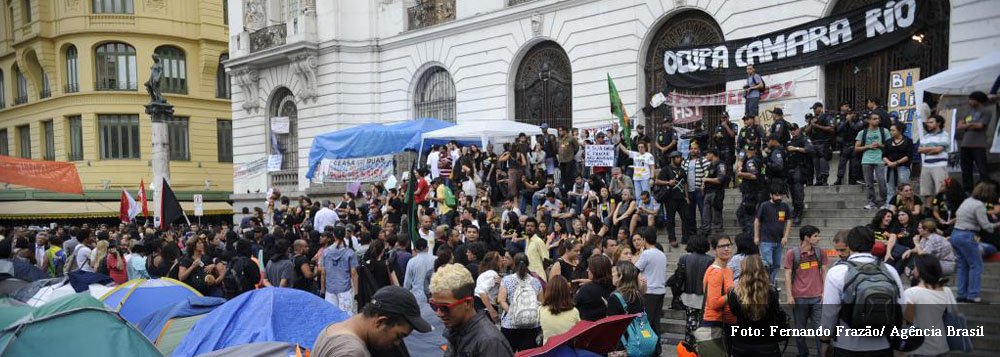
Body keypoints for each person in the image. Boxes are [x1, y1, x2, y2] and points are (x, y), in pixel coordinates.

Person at [819, 226, 905, 357]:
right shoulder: (889, 270)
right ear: (873, 244)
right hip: (883, 345)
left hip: (847, 345)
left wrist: (824, 341)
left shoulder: (837, 272)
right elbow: (901, 306)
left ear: (850, 245)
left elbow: (829, 312)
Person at [313, 286, 432, 357]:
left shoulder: (334, 328)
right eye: (398, 336)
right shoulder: (351, 352)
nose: (397, 343)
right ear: (380, 322)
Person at [430, 262, 514, 357]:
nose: (438, 313)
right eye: (434, 306)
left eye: (444, 307)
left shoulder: (490, 343)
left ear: (467, 303)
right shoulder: (456, 330)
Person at [783, 225, 828, 357]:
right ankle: (803, 354)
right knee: (799, 332)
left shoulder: (820, 252)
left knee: (820, 332)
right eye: (815, 236)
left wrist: (824, 292)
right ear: (806, 238)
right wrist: (789, 295)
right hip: (799, 298)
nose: (818, 238)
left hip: (817, 298)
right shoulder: (792, 253)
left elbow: (824, 272)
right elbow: (787, 275)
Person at [951, 181, 1000, 303]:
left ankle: (961, 294)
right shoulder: (979, 205)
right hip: (967, 236)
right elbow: (987, 226)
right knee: (976, 265)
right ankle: (973, 295)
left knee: (962, 265)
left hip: (955, 234)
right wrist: (998, 224)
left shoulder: (967, 201)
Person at [727, 255, 783, 356]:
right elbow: (775, 313)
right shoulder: (771, 292)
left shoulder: (734, 294)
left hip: (742, 343)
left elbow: (734, 313)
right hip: (767, 343)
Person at [902, 254, 956, 357]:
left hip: (920, 348)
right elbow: (953, 313)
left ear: (921, 270)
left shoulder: (911, 293)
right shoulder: (947, 291)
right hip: (941, 345)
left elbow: (908, 320)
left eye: (915, 266)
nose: (913, 270)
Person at [497, 253, 543, 352]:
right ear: (528, 264)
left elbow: (501, 300)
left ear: (514, 264)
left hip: (510, 325)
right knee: (527, 353)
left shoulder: (507, 280)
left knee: (509, 353)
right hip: (531, 325)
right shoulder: (536, 281)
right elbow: (541, 302)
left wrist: (512, 312)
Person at [676, 235, 714, 344]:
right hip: (704, 296)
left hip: (688, 295)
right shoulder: (711, 260)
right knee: (703, 324)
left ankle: (689, 346)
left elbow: (679, 277)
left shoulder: (684, 258)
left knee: (690, 322)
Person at [754, 184, 792, 285]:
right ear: (771, 195)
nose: (779, 197)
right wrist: (756, 236)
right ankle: (767, 283)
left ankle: (771, 283)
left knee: (776, 265)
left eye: (780, 195)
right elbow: (757, 221)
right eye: (776, 195)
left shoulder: (784, 206)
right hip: (766, 240)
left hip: (778, 241)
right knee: (767, 263)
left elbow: (788, 221)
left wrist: (785, 236)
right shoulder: (764, 205)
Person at [701, 235, 736, 345]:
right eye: (722, 246)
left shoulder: (728, 270)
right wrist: (736, 291)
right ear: (714, 250)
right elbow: (714, 303)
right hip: (715, 323)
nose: (726, 249)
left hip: (727, 322)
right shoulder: (716, 272)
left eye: (728, 245)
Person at [957, 91, 993, 190]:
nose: (969, 101)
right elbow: (959, 126)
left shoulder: (986, 111)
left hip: (978, 145)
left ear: (978, 100)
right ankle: (968, 190)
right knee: (966, 169)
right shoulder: (969, 112)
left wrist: (967, 125)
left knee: (982, 169)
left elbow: (981, 125)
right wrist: (972, 124)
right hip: (965, 144)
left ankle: (985, 190)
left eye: (971, 99)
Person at [633, 229, 667, 337]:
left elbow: (635, 269)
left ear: (644, 239)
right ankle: (657, 345)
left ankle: (647, 344)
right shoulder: (662, 254)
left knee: (646, 322)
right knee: (655, 322)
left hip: (649, 291)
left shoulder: (646, 254)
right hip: (660, 291)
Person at [855, 112, 891, 210]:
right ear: (869, 120)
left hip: (880, 159)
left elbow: (890, 146)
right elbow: (856, 148)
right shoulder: (862, 133)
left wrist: (880, 145)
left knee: (882, 181)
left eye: (878, 119)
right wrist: (868, 146)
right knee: (869, 183)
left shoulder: (884, 131)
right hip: (866, 159)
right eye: (874, 119)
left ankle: (884, 201)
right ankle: (871, 202)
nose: (877, 120)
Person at [321, 226, 359, 314]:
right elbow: (353, 273)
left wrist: (322, 289)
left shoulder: (326, 252)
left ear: (333, 235)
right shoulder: (350, 252)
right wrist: (356, 292)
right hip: (345, 288)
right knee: (346, 316)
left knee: (332, 316)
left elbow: (323, 272)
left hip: (330, 289)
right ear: (344, 235)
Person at [656, 151, 691, 246]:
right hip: (670, 198)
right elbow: (657, 181)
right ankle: (672, 238)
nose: (680, 159)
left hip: (682, 198)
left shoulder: (682, 170)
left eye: (680, 157)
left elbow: (685, 183)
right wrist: (668, 183)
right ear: (673, 159)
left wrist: (687, 197)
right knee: (670, 219)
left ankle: (686, 238)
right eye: (678, 157)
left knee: (686, 218)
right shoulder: (666, 169)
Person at [538, 275, 580, 344]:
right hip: (567, 348)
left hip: (548, 348)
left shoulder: (541, 309)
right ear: (566, 291)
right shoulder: (574, 311)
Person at [918, 114, 950, 203]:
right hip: (926, 165)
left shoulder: (944, 134)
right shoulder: (926, 136)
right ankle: (928, 208)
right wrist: (933, 149)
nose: (928, 124)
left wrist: (927, 150)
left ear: (938, 123)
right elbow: (919, 150)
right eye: (928, 122)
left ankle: (940, 207)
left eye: (931, 122)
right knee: (927, 190)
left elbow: (938, 150)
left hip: (939, 165)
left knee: (941, 189)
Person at [785, 125, 811, 225]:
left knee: (798, 191)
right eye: (791, 130)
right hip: (790, 168)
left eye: (794, 129)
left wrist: (796, 148)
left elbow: (809, 149)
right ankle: (796, 210)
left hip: (799, 168)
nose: (793, 132)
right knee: (792, 191)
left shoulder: (804, 139)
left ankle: (799, 212)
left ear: (798, 129)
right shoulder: (789, 141)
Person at [575, 255, 614, 321]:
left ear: (595, 271)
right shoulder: (614, 287)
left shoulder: (586, 290)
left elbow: (573, 306)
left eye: (589, 268)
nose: (587, 270)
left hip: (588, 324)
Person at [883, 123, 914, 206]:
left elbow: (908, 156)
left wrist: (896, 162)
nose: (891, 132)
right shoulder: (888, 141)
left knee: (905, 188)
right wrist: (889, 163)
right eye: (890, 130)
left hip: (903, 167)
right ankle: (889, 206)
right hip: (889, 167)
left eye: (893, 130)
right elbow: (884, 155)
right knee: (890, 189)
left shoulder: (908, 141)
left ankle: (906, 206)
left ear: (900, 131)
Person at [805, 102, 835, 185]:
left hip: (824, 142)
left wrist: (817, 126)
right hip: (814, 143)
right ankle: (818, 179)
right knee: (816, 161)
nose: (814, 110)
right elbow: (806, 131)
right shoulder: (813, 118)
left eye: (815, 108)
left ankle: (824, 179)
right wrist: (812, 125)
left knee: (823, 160)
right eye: (813, 109)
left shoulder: (827, 116)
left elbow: (831, 128)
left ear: (820, 108)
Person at [834, 106, 864, 185]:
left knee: (854, 164)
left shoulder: (859, 120)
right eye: (849, 113)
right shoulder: (844, 120)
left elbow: (856, 128)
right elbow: (838, 129)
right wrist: (846, 121)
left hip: (854, 145)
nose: (851, 115)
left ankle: (853, 179)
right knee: (842, 163)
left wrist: (850, 121)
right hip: (845, 145)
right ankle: (839, 178)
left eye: (852, 113)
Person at [737, 146, 764, 232]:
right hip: (757, 190)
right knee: (743, 213)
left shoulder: (750, 161)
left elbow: (753, 176)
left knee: (746, 215)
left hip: (750, 191)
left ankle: (749, 233)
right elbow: (762, 174)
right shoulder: (759, 160)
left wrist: (741, 174)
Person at [701, 149, 729, 235]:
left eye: (707, 154)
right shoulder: (710, 166)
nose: (706, 156)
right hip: (707, 192)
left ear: (712, 154)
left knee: (716, 216)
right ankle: (706, 232)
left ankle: (718, 234)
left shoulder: (720, 165)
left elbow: (720, 179)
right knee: (706, 216)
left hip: (716, 193)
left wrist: (707, 179)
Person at [684, 142, 709, 234]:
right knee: (690, 213)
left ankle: (704, 230)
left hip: (699, 190)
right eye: (691, 149)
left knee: (703, 211)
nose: (693, 150)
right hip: (689, 191)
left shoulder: (703, 161)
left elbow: (707, 173)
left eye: (695, 148)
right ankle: (692, 231)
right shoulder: (685, 162)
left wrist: (703, 184)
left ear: (698, 150)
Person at [557, 127, 581, 193]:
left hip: (569, 160)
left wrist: (572, 154)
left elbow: (576, 147)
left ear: (565, 131)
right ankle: (565, 190)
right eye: (559, 131)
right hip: (562, 160)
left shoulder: (571, 138)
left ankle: (569, 189)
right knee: (563, 176)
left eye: (561, 130)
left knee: (569, 176)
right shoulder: (559, 139)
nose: (559, 132)